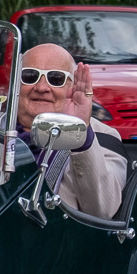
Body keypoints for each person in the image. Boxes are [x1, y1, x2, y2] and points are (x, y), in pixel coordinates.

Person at [15, 43, 127, 217]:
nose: (42, 87)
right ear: (16, 84)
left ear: (72, 86)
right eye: (30, 76)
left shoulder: (103, 136)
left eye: (56, 79)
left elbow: (104, 210)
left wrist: (80, 132)